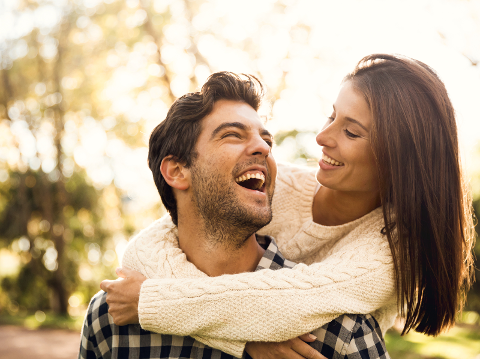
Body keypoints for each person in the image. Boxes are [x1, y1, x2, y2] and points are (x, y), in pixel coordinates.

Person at [102, 55, 475, 358]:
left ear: (396, 162)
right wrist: (243, 339)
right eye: (332, 116)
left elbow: (289, 305)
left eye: (351, 131)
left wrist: (152, 303)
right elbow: (153, 241)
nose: (321, 137)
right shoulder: (274, 186)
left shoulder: (388, 252)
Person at [80, 72, 389, 359]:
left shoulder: (341, 333)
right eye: (232, 135)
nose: (264, 149)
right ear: (176, 171)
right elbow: (146, 243)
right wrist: (242, 339)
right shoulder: (111, 320)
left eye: (267, 141)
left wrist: (152, 303)